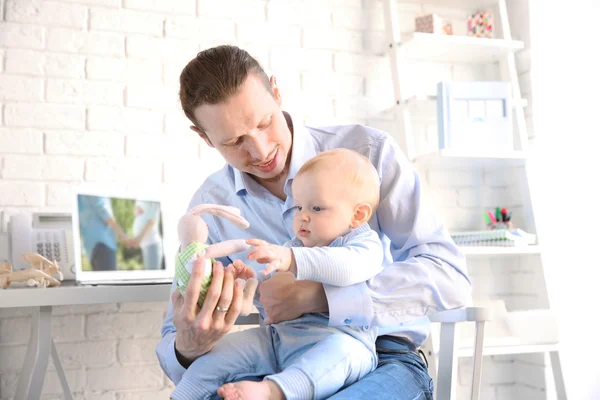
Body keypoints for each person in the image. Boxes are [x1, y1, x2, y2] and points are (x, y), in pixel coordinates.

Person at [156, 45, 472, 399]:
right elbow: (174, 345)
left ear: (276, 93)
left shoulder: (367, 153)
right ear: (204, 138)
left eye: (264, 123)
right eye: (234, 141)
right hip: (276, 355)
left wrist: (322, 297)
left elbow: (450, 276)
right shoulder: (210, 207)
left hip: (381, 355)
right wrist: (189, 343)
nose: (260, 151)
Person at [170, 149, 385, 400]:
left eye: (316, 208)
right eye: (298, 207)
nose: (302, 216)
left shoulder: (364, 244)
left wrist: (290, 259)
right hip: (278, 339)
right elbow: (271, 299)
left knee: (342, 355)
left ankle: (272, 391)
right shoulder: (296, 245)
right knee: (219, 353)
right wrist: (249, 282)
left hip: (339, 340)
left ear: (358, 215)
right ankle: (184, 394)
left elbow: (347, 268)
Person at [77, 194, 130, 271]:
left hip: (90, 247)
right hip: (103, 242)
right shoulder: (94, 187)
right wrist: (122, 235)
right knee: (110, 281)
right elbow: (103, 209)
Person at [131, 200, 164, 270]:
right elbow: (136, 212)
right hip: (145, 245)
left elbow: (152, 220)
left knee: (153, 278)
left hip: (152, 244)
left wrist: (139, 239)